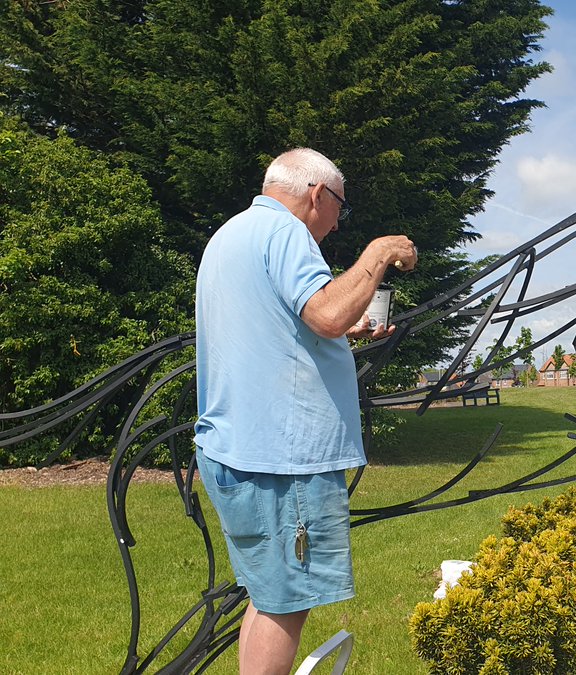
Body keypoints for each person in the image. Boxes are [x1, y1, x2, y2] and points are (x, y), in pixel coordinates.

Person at [193, 148, 416, 674]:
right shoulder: (287, 233)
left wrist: (343, 327)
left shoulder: (232, 235)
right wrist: (379, 252)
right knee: (287, 603)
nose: (338, 224)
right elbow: (328, 315)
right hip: (281, 458)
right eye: (341, 207)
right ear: (319, 194)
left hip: (236, 448)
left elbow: (289, 327)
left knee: (269, 596)